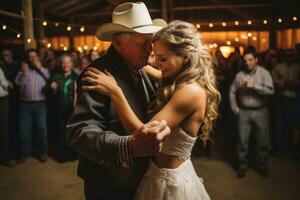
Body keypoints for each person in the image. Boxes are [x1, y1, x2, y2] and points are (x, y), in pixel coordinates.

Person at [82, 20, 220, 199]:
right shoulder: (176, 78)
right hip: (156, 173)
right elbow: (145, 68)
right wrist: (127, 58)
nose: (157, 63)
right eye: (155, 55)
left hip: (169, 182)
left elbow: (144, 135)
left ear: (185, 57)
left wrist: (116, 93)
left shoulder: (189, 92)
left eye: (162, 58)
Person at [66, 2, 170, 199]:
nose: (150, 50)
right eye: (142, 43)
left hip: (140, 178)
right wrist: (127, 146)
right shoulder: (96, 75)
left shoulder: (142, 68)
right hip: (110, 184)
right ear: (117, 42)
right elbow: (78, 133)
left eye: (151, 42)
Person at [229, 50, 274, 178]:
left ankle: (262, 166)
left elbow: (271, 91)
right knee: (242, 141)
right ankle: (242, 166)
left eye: (250, 60)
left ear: (256, 60)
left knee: (262, 140)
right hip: (243, 112)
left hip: (261, 111)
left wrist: (255, 86)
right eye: (245, 61)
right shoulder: (239, 75)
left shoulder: (264, 73)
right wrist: (235, 108)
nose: (247, 63)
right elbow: (232, 91)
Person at [15, 49, 50, 163]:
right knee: (24, 131)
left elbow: (49, 81)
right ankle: (25, 153)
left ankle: (43, 153)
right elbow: (18, 83)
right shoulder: (23, 70)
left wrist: (40, 68)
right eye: (30, 57)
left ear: (38, 57)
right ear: (28, 59)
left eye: (34, 56)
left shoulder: (44, 70)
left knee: (41, 129)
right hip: (24, 104)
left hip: (40, 104)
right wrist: (24, 73)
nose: (32, 59)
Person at [50, 54, 78, 162]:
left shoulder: (76, 76)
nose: (64, 65)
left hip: (72, 110)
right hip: (60, 110)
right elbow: (52, 95)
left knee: (72, 133)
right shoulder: (56, 76)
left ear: (71, 64)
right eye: (62, 62)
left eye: (67, 62)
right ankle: (63, 156)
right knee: (61, 134)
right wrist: (53, 89)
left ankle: (73, 155)